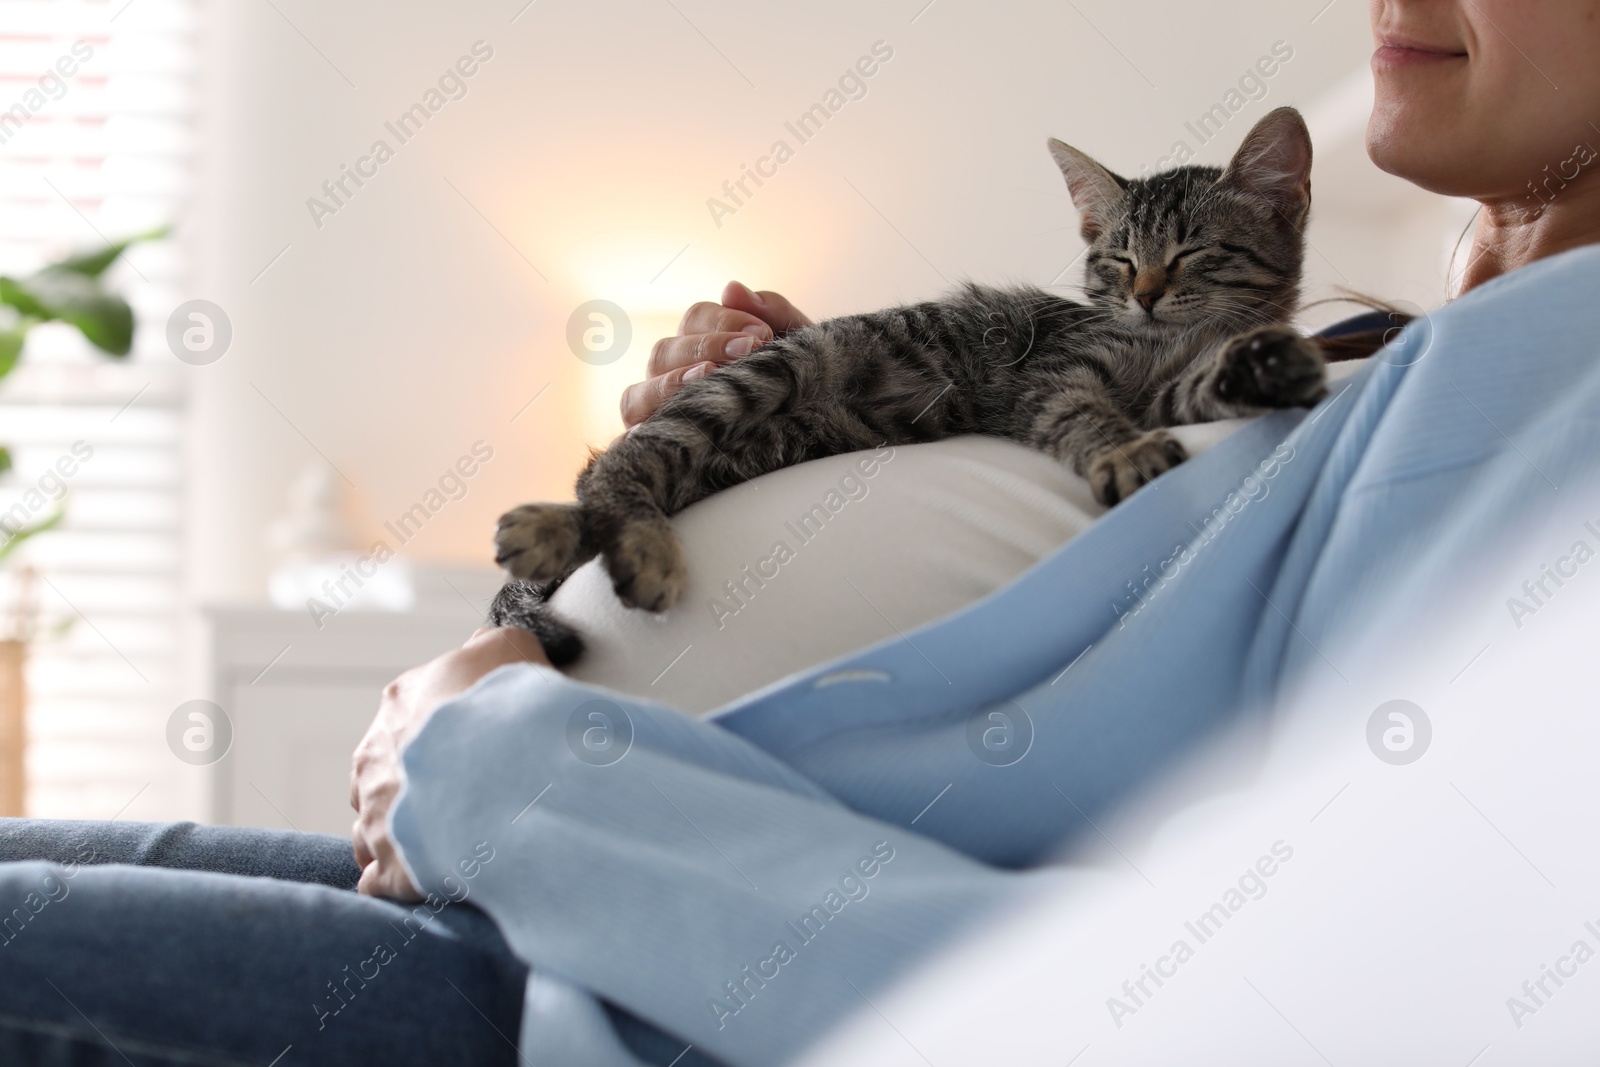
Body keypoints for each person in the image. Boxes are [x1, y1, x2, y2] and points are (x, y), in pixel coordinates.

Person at [4, 0, 1600, 1063]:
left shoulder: (1556, 394)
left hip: (657, 991)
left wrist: (497, 751)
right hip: (573, 894)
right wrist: (820, 431)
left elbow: (1203, 996)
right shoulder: (1363, 365)